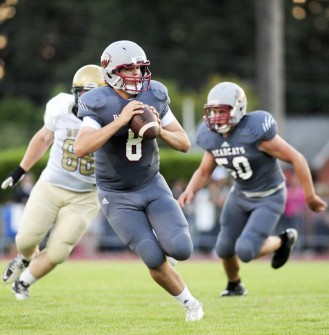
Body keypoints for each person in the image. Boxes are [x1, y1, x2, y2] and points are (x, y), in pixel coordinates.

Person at [74, 40, 204, 321]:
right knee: (153, 258)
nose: (136, 75)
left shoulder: (154, 94)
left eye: (139, 68)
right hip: (116, 195)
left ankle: (165, 241)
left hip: (151, 184)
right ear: (109, 71)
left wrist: (159, 129)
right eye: (128, 69)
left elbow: (183, 143)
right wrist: (119, 122)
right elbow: (81, 147)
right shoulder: (97, 101)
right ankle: (190, 303)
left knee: (182, 249)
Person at [178, 82, 327, 296]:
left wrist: (310, 195)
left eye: (222, 111)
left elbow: (297, 158)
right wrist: (190, 189)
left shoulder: (255, 132)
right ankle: (234, 285)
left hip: (269, 196)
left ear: (237, 109)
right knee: (224, 248)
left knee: (246, 251)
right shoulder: (212, 137)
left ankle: (283, 241)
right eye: (213, 112)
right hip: (239, 195)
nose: (216, 117)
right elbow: (204, 171)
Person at [1, 65, 105, 300]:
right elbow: (43, 137)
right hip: (51, 186)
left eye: (91, 94)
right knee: (25, 239)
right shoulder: (60, 107)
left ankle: (23, 283)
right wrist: (20, 170)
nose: (84, 99)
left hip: (85, 196)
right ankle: (24, 258)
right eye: (81, 92)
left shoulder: (113, 120)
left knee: (59, 251)